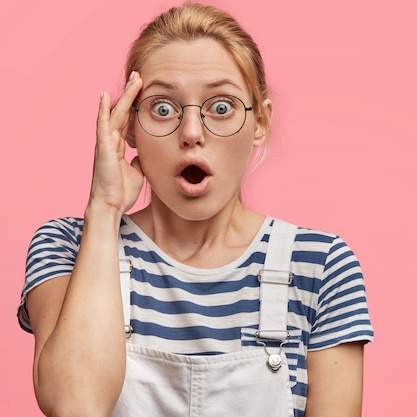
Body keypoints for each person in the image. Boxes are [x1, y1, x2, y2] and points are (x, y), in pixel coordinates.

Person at [17, 2, 373, 416]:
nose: (190, 133)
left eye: (221, 108)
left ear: (260, 122)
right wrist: (105, 208)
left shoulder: (321, 265)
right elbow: (75, 406)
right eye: (162, 109)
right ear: (128, 126)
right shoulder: (67, 245)